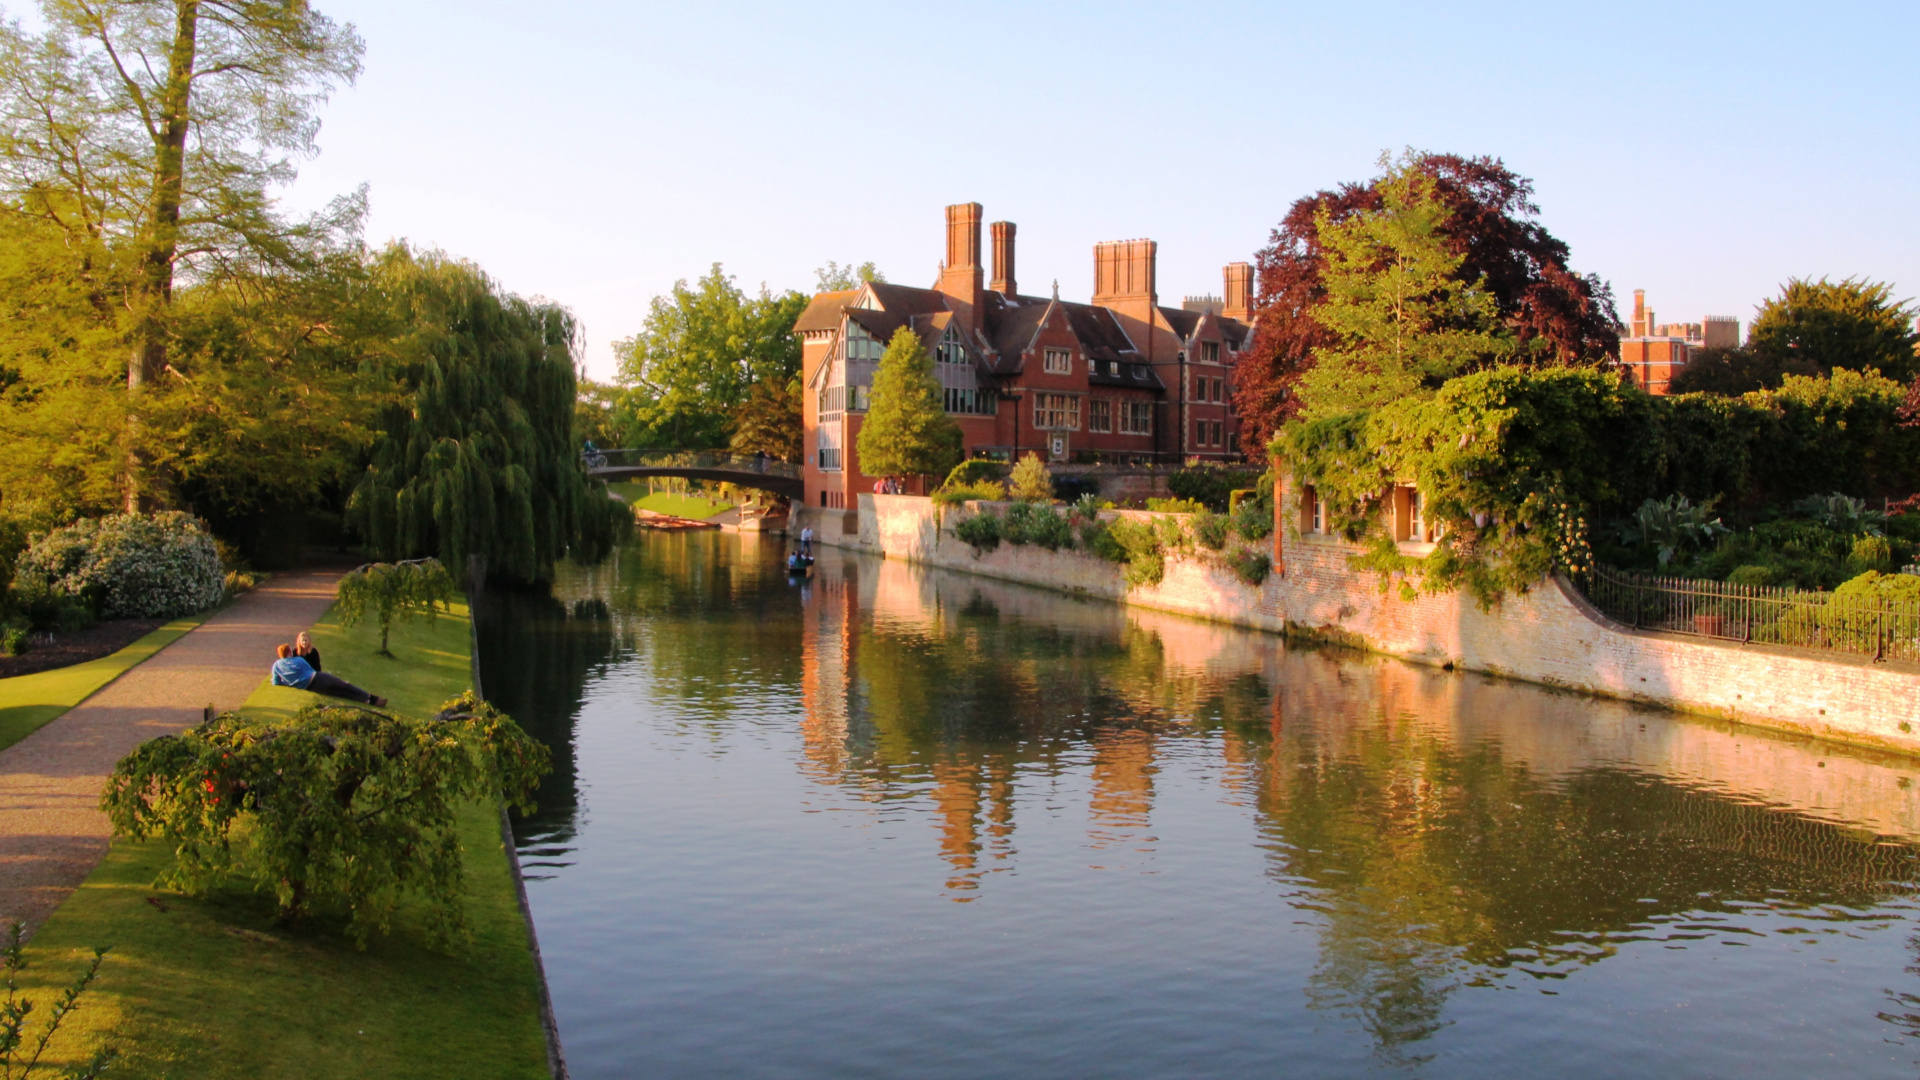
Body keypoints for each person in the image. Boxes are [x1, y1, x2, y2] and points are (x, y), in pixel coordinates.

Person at [271, 644, 386, 707]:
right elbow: (310, 669)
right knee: (345, 685)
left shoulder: (276, 665)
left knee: (341, 694)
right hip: (316, 677)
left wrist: (288, 682)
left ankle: (367, 701)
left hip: (310, 687)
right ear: (289, 653)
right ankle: (373, 698)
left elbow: (276, 682)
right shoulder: (298, 660)